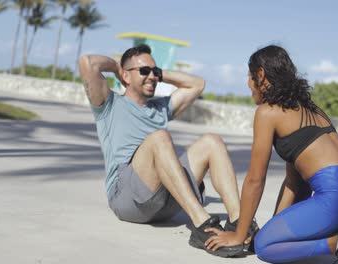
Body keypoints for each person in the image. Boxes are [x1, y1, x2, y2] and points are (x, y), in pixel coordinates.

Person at [204, 45, 338, 264]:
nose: (249, 84)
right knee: (274, 236)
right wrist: (275, 228)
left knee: (264, 246)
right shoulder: (310, 107)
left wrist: (239, 235)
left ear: (260, 75)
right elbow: (295, 183)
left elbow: (255, 180)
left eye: (249, 77)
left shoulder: (267, 112)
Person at [78, 44, 257, 258]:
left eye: (155, 72)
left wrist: (157, 73)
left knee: (212, 141)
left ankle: (239, 222)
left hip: (164, 200)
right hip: (128, 199)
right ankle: (202, 225)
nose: (152, 77)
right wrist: (117, 66)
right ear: (125, 76)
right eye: (144, 71)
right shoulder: (109, 104)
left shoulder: (160, 108)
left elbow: (197, 84)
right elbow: (88, 63)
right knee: (159, 138)